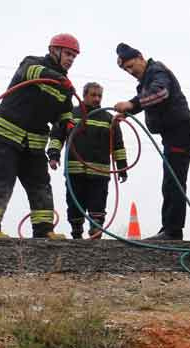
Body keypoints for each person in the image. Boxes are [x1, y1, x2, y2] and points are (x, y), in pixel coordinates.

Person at [0, 34, 78, 239]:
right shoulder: (32, 63)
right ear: (54, 51)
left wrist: (67, 122)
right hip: (4, 137)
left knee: (40, 184)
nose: (70, 59)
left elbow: (65, 112)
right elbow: (32, 72)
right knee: (2, 180)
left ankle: (44, 230)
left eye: (73, 56)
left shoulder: (66, 88)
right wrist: (60, 79)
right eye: (68, 54)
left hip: (33, 145)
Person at [114, 43, 190, 241]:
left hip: (180, 132)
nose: (130, 71)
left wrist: (132, 104)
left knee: (173, 182)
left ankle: (172, 231)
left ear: (140, 57)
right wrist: (129, 110)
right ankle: (169, 228)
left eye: (131, 65)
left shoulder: (157, 71)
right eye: (126, 69)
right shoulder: (148, 78)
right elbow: (144, 96)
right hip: (173, 134)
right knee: (170, 181)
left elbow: (160, 93)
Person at [62, 82, 127, 239]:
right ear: (84, 95)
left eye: (99, 96)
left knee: (98, 204)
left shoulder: (109, 119)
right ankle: (76, 234)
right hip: (75, 170)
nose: (97, 99)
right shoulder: (71, 114)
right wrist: (53, 154)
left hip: (100, 173)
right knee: (74, 203)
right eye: (93, 95)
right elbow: (57, 135)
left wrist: (122, 167)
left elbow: (118, 145)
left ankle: (96, 234)